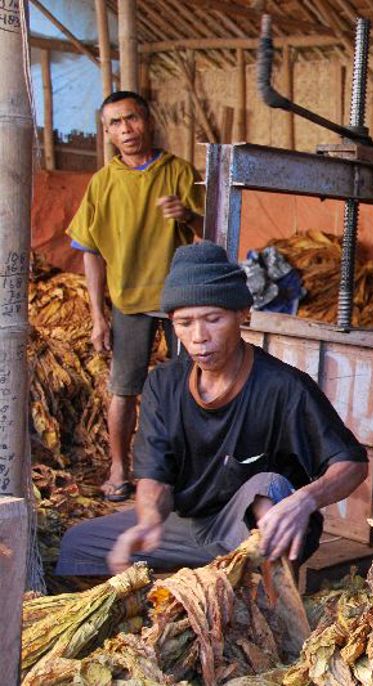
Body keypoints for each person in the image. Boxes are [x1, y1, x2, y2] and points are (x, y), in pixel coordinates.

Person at [55, 242, 369, 575]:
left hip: (253, 530)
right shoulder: (163, 384)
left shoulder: (284, 387)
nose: (199, 336)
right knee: (78, 544)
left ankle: (270, 588)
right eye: (184, 323)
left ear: (243, 314)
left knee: (269, 487)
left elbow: (352, 464)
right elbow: (155, 476)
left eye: (213, 319)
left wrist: (305, 500)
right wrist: (148, 521)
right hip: (188, 524)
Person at [67, 90, 205, 502]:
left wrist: (189, 216)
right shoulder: (103, 183)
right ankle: (119, 467)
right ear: (107, 132)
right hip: (128, 301)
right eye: (116, 123)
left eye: (132, 118)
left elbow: (212, 231)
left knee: (192, 386)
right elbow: (90, 252)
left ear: (148, 121)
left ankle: (188, 472)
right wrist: (98, 316)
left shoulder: (178, 172)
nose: (126, 129)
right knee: (124, 388)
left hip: (179, 300)